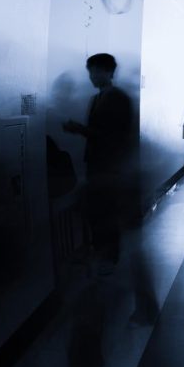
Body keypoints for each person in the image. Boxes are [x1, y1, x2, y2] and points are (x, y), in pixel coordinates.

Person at [63, 52, 133, 271]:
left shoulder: (116, 98)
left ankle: (108, 256)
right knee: (98, 210)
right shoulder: (98, 98)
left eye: (96, 71)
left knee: (105, 211)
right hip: (98, 163)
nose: (92, 76)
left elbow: (113, 135)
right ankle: (103, 253)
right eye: (90, 72)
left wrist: (80, 130)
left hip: (110, 164)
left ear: (109, 72)